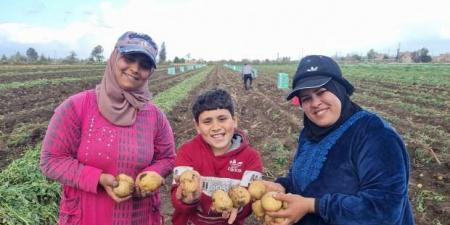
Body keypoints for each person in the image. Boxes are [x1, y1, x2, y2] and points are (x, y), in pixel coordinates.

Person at [40, 31, 175, 225]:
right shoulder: (77, 107)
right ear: (114, 58)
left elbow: (167, 158)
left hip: (140, 216)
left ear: (150, 73)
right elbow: (51, 160)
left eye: (144, 65)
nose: (135, 68)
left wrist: (149, 176)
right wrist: (98, 179)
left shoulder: (154, 115)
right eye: (129, 58)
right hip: (87, 216)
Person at [262, 55, 415, 225]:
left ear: (339, 89)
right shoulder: (310, 132)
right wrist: (283, 186)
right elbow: (301, 178)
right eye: (306, 98)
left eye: (321, 92)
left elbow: (383, 209)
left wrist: (313, 206)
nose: (315, 103)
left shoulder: (375, 135)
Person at [170, 88, 264, 225]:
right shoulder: (187, 151)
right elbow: (176, 198)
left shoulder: (251, 158)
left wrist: (239, 208)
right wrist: (187, 200)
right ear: (197, 126)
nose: (216, 127)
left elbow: (249, 202)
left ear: (235, 120)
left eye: (222, 119)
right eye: (207, 122)